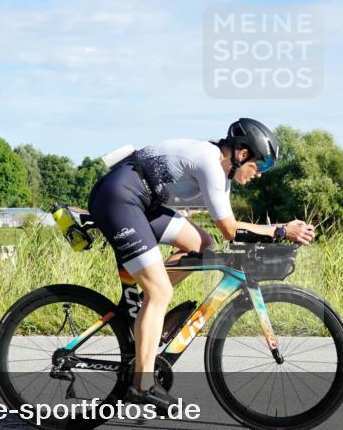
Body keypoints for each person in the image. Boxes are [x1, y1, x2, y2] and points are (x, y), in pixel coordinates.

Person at [87, 118, 316, 413]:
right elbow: (231, 231)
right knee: (159, 294)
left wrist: (273, 235)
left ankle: (147, 311)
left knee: (203, 247)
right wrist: (282, 230)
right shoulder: (210, 162)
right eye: (261, 166)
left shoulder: (222, 173)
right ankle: (141, 386)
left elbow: (228, 232)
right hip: (119, 198)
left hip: (143, 202)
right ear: (243, 154)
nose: (259, 175)